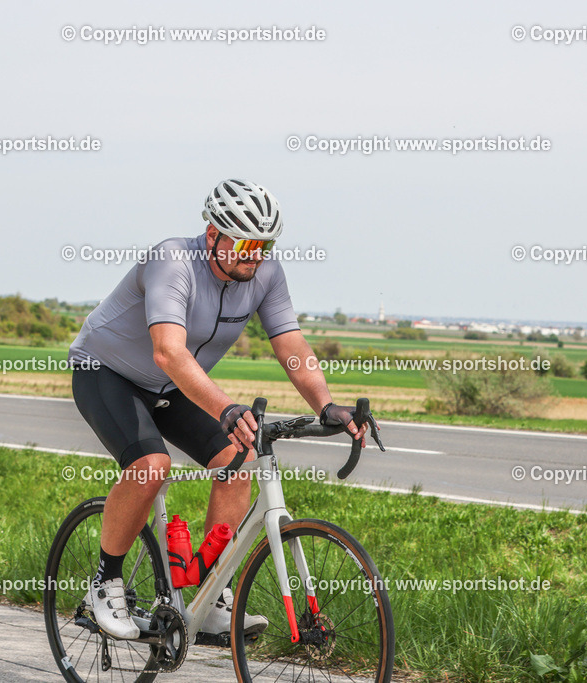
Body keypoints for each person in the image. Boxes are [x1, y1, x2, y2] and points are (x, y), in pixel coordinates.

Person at [68, 179, 368, 640]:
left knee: (240, 458)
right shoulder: (173, 262)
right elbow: (168, 351)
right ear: (213, 235)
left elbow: (291, 344)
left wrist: (325, 404)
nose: (256, 255)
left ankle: (210, 598)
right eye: (246, 243)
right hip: (106, 371)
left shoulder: (264, 274)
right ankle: (104, 585)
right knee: (150, 466)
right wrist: (226, 408)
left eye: (264, 245)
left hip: (172, 386)